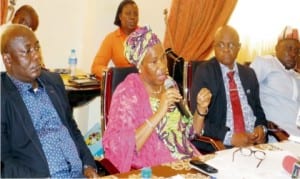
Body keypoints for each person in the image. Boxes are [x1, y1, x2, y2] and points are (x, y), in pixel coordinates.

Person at [102, 26, 212, 173]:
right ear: (140, 66)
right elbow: (119, 147)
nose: (162, 66)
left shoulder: (170, 83)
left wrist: (201, 110)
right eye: (154, 62)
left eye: (163, 58)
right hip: (155, 168)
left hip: (187, 161)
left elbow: (191, 133)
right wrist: (159, 112)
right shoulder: (128, 93)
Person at [1, 24, 98, 178]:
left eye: (37, 48)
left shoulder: (53, 81)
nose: (36, 56)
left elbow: (71, 128)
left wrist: (88, 164)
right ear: (8, 59)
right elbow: (4, 161)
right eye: (27, 51)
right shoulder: (3, 95)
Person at [190, 25, 268, 153]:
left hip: (253, 144)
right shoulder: (205, 72)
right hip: (221, 145)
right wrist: (230, 138)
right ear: (214, 47)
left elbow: (258, 111)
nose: (226, 49)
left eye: (231, 45)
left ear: (239, 47)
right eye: (221, 45)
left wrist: (261, 129)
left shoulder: (249, 74)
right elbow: (197, 118)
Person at [250, 26, 300, 137]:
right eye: (289, 48)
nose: (293, 54)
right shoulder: (266, 63)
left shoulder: (296, 76)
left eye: (297, 51)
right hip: (278, 135)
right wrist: (262, 123)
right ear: (277, 48)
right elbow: (245, 92)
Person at [91, 0, 139, 79]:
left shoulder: (146, 36)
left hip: (144, 85)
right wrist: (114, 73)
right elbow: (96, 67)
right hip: (121, 84)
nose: (132, 17)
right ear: (120, 16)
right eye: (128, 13)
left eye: (136, 14)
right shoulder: (112, 38)